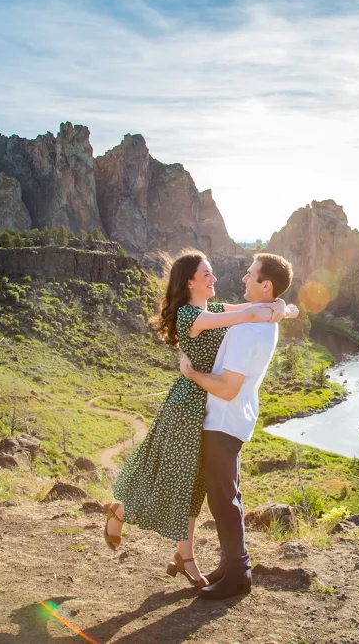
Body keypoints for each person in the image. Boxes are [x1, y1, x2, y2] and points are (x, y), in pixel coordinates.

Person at [103, 249, 297, 588]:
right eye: (207, 274)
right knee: (172, 483)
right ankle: (121, 512)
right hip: (187, 406)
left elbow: (252, 310)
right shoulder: (190, 316)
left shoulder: (214, 309)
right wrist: (274, 308)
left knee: (193, 487)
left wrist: (279, 306)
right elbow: (250, 314)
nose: (215, 278)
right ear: (190, 282)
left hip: (205, 406)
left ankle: (185, 557)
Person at [178, 252, 293, 599]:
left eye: (249, 275)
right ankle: (231, 565)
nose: (243, 279)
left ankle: (239, 573)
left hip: (223, 420)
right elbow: (237, 312)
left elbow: (228, 388)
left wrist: (192, 374)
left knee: (224, 500)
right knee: (230, 495)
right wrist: (281, 307)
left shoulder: (247, 332)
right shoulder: (264, 321)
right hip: (236, 418)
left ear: (265, 284)